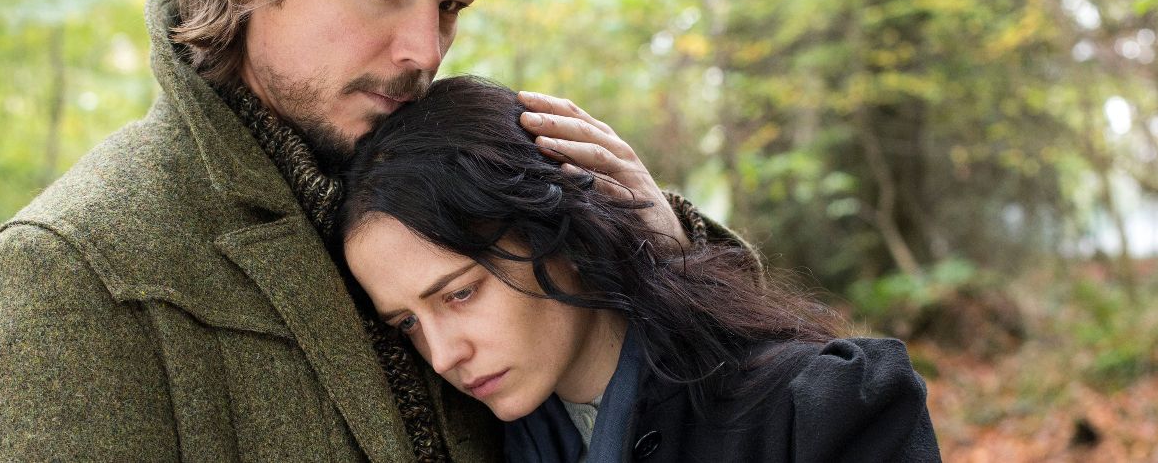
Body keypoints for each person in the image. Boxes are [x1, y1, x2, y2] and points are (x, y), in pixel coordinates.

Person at [0, 0, 749, 461]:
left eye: (451, 5)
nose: (424, 50)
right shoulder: (73, 273)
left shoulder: (457, 182)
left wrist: (665, 255)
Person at [342, 76, 944, 463]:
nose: (443, 355)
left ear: (558, 232)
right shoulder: (486, 447)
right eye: (407, 324)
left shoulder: (819, 410)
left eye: (459, 294)